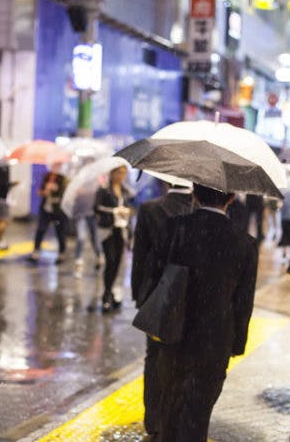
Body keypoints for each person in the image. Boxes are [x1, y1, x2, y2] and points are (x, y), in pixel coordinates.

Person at [155, 184, 258, 441]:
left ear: (194, 193)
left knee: (171, 408)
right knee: (198, 414)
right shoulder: (245, 243)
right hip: (216, 338)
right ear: (232, 198)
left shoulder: (176, 227)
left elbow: (158, 276)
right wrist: (237, 343)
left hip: (175, 332)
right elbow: (244, 302)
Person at [131, 183, 194, 439]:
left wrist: (139, 295)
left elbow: (140, 256)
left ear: (167, 182)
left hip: (155, 295)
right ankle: (174, 419)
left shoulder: (149, 209)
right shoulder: (198, 210)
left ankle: (153, 419)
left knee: (154, 357)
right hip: (188, 296)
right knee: (181, 358)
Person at [94, 165, 132, 313]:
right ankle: (106, 294)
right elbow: (96, 208)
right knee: (110, 260)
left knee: (117, 263)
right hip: (107, 230)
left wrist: (127, 212)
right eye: (118, 172)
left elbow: (129, 208)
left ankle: (111, 292)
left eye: (124, 173)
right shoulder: (103, 189)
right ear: (112, 173)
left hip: (120, 230)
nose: (121, 176)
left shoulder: (125, 190)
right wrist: (114, 211)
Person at [30, 163, 68, 264]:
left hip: (58, 211)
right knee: (41, 230)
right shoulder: (46, 177)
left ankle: (61, 253)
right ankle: (36, 251)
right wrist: (45, 191)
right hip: (46, 209)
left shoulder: (63, 179)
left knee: (60, 232)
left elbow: (64, 194)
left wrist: (55, 189)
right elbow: (40, 191)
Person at [0, 161, 17, 250]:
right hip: (3, 200)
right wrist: (12, 184)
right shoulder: (4, 169)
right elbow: (4, 185)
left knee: (0, 221)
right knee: (3, 221)